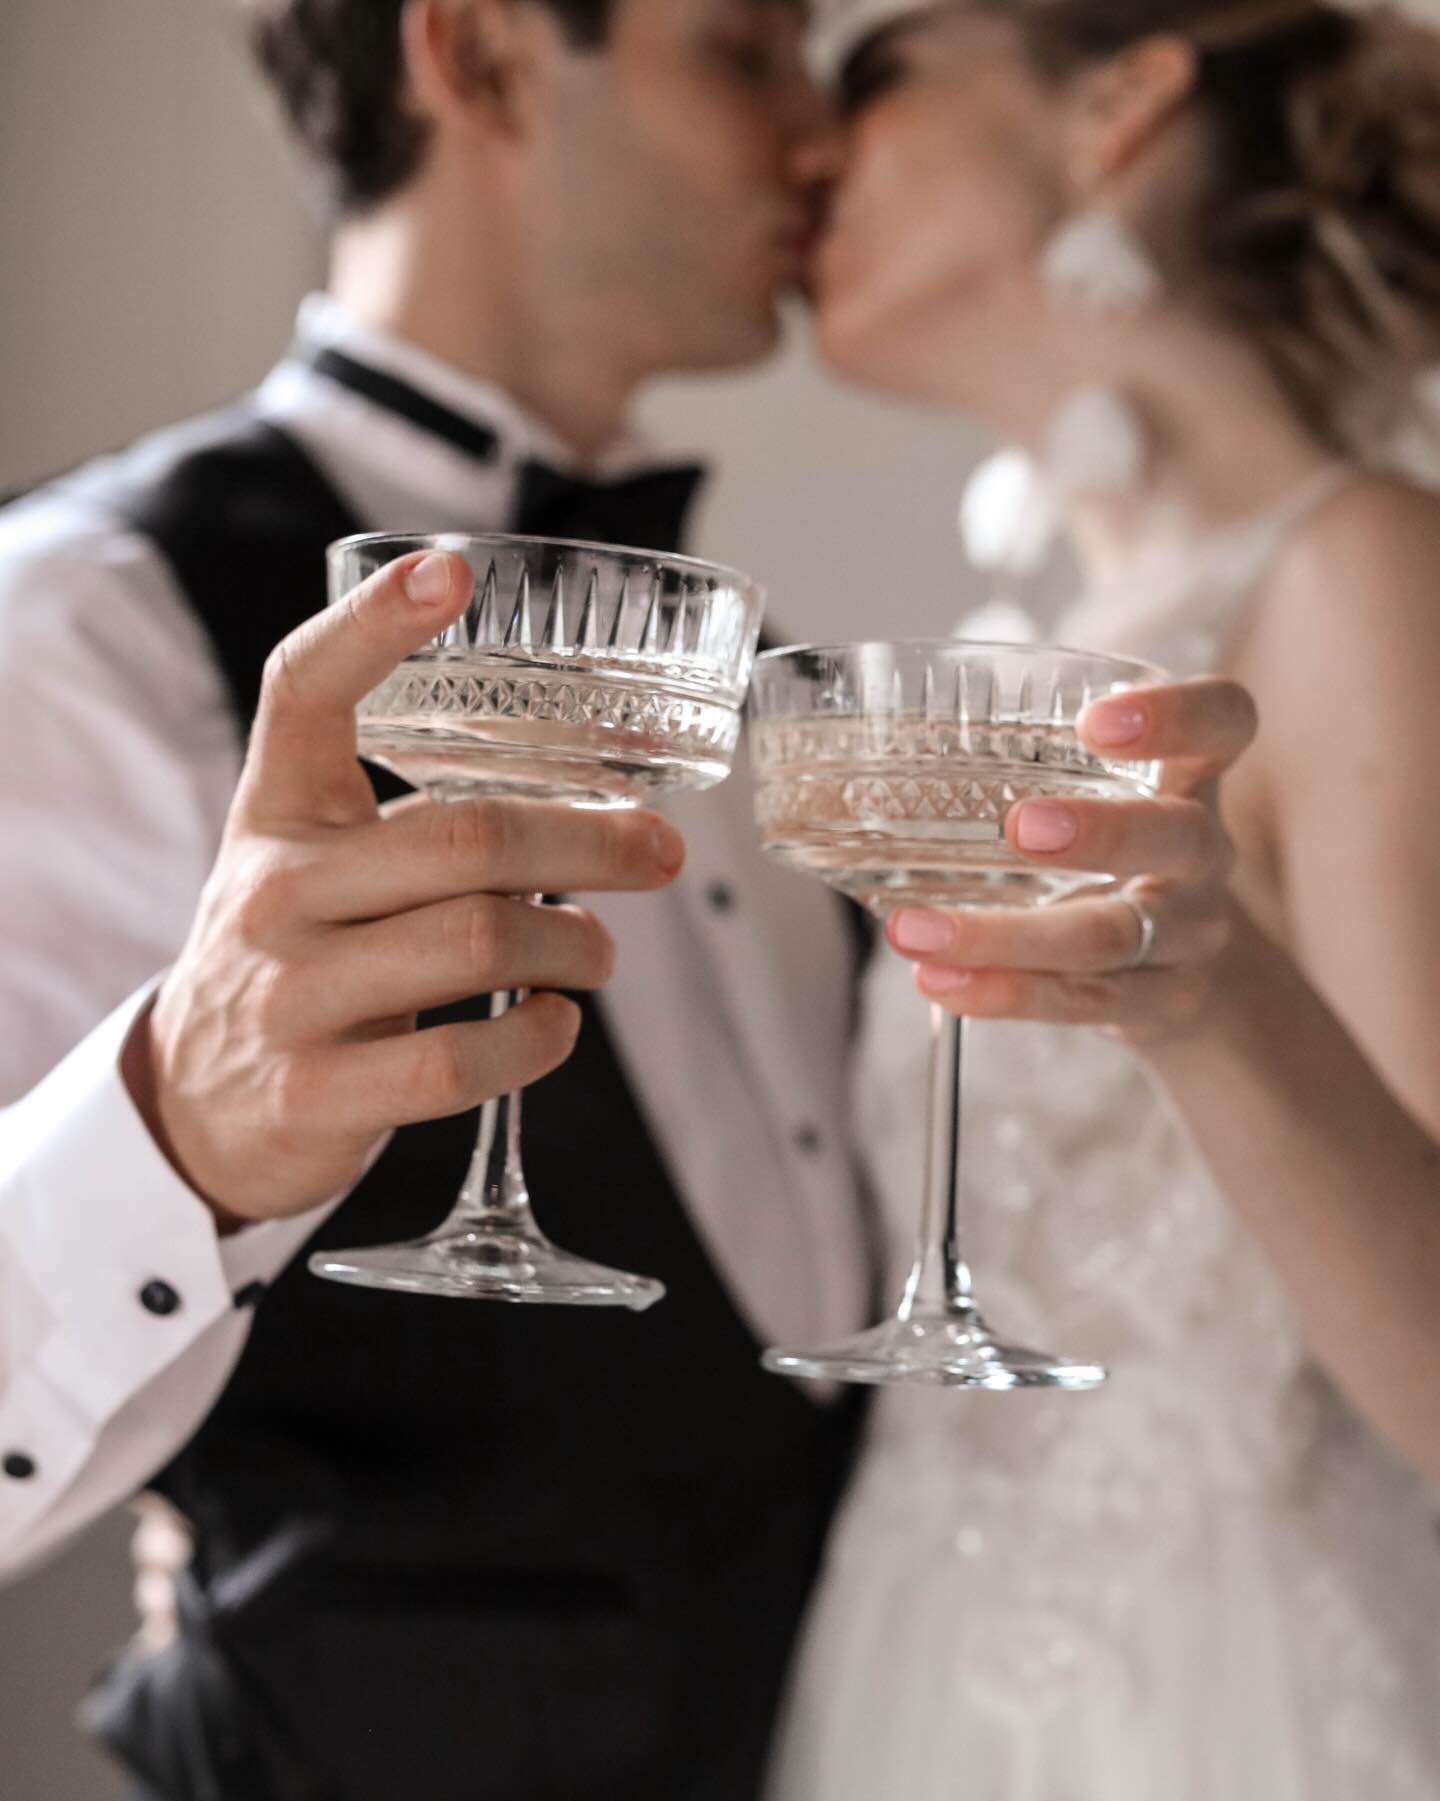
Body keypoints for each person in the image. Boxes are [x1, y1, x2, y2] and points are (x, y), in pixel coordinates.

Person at [0, 1, 1259, 1797]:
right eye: (742, 53)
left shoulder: (761, 694)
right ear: (487, 53)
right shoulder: (77, 627)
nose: (816, 138)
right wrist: (171, 1132)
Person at [764, 1, 1440, 1797]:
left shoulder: (1362, 574)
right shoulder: (1032, 638)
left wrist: (1208, 999)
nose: (807, 144)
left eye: (878, 76)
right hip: (905, 1662)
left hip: (1217, 1695)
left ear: (1118, 103)